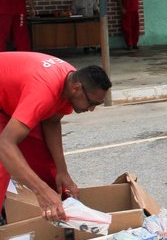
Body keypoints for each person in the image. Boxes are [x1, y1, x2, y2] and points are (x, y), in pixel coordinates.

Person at [0, 53, 111, 222]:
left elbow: (51, 122)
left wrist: (62, 170)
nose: (92, 109)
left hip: (10, 99)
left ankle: (61, 213)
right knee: (3, 165)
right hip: (10, 99)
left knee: (45, 162)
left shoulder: (71, 82)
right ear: (77, 89)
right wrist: (41, 191)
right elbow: (5, 144)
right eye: (92, 103)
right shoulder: (43, 92)